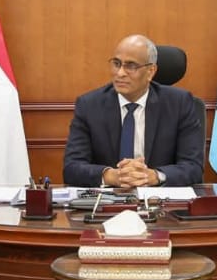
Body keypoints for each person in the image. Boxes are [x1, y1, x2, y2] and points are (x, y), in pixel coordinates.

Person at [63, 33, 205, 188]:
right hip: (108, 198)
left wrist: (155, 176)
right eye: (116, 63)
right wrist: (111, 176)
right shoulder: (89, 105)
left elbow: (193, 167)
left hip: (157, 197)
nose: (120, 73)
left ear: (150, 71)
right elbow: (72, 167)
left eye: (131, 66)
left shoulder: (179, 103)